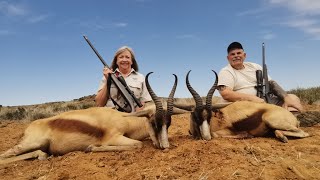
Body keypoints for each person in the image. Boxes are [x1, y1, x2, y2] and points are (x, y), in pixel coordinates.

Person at [217, 41, 303, 112]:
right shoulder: (226, 71)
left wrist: (286, 97)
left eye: (239, 53)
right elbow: (226, 94)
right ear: (228, 58)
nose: (236, 56)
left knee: (293, 98)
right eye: (233, 54)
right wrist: (252, 99)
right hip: (244, 106)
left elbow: (271, 83)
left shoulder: (254, 66)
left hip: (264, 100)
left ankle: (283, 120)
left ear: (244, 55)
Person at [95, 46, 152, 112]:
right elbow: (99, 104)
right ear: (116, 61)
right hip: (110, 118)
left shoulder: (141, 78)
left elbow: (146, 102)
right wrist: (108, 81)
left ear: (132, 61)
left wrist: (139, 110)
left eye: (127, 57)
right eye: (121, 57)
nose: (124, 60)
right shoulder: (107, 76)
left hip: (133, 117)